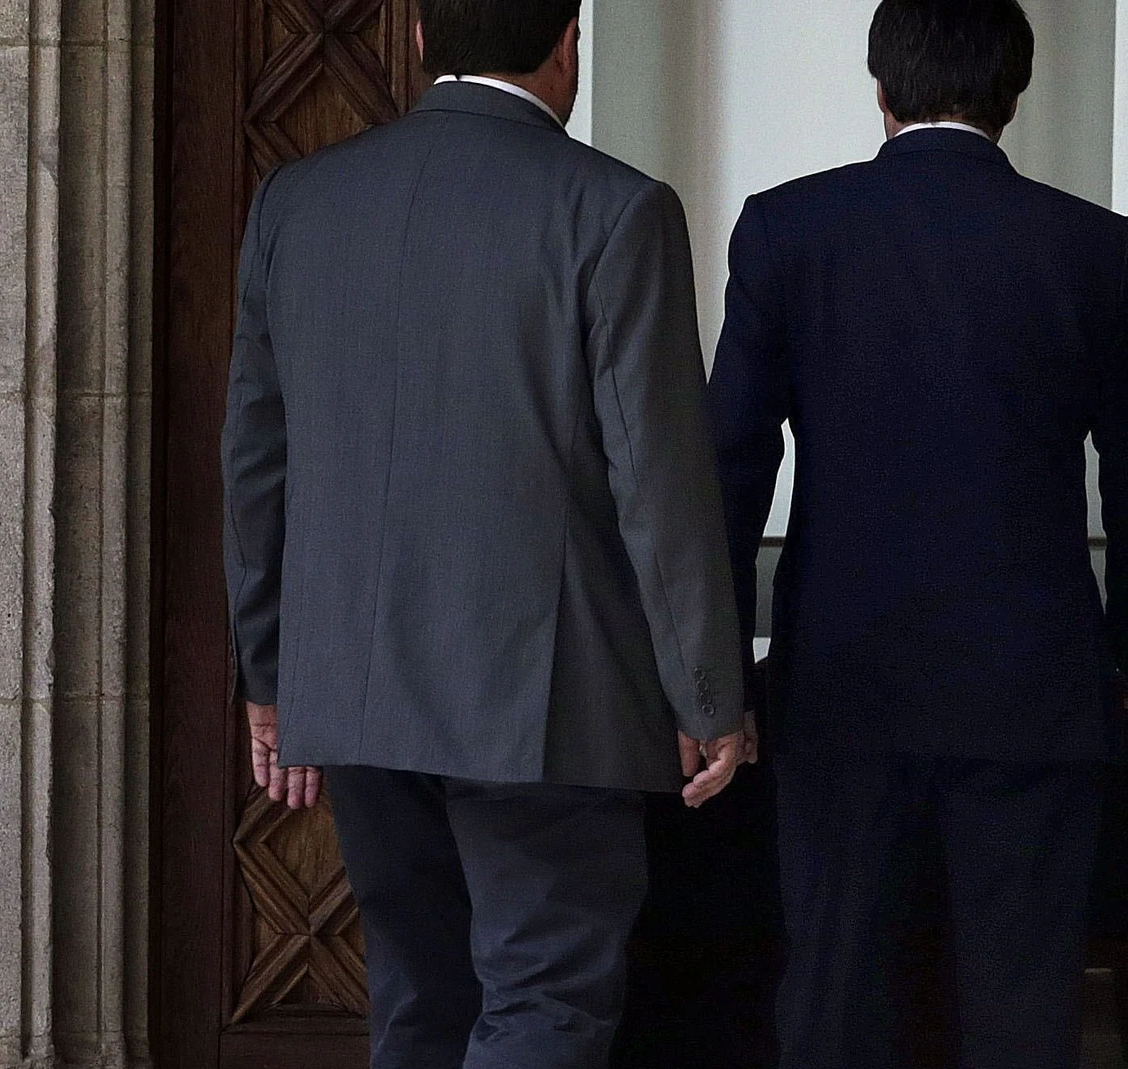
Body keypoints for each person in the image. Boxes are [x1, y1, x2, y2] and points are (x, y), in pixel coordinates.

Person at [221, 0, 750, 1064]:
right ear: (568, 44)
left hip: (353, 689)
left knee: (420, 993)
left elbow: (256, 459)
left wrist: (270, 674)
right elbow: (656, 480)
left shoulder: (298, 201)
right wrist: (705, 695)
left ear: (420, 39)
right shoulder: (613, 209)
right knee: (546, 995)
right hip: (545, 700)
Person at [707, 1, 1128, 1066]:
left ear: (878, 88)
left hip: (840, 679)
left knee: (831, 1001)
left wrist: (706, 673)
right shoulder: (1094, 247)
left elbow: (730, 463)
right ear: (1011, 93)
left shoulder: (785, 229)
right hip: (1033, 682)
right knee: (1023, 1012)